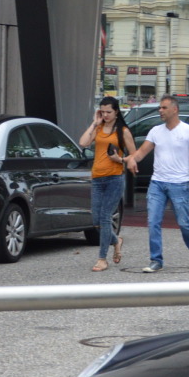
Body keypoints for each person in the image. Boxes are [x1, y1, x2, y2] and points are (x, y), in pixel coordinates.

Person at [124, 95, 189, 273]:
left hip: (179, 183)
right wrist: (132, 160)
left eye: (164, 108)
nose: (160, 110)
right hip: (157, 183)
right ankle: (156, 260)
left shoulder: (188, 131)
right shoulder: (155, 131)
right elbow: (142, 152)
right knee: (153, 221)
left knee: (183, 222)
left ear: (174, 110)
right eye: (160, 107)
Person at [77, 96, 137, 272]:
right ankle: (116, 240)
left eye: (108, 112)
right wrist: (95, 123)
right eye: (102, 112)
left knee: (104, 217)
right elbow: (83, 142)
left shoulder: (123, 131)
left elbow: (135, 156)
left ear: (116, 111)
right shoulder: (99, 127)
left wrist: (119, 158)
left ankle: (102, 258)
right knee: (96, 220)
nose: (105, 115)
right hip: (97, 178)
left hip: (114, 178)